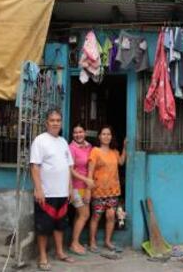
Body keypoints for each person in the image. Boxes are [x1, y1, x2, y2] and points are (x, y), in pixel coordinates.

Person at [30, 108, 75, 271]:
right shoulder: (40, 140)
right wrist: (38, 189)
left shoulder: (63, 142)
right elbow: (35, 167)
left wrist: (70, 187)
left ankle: (60, 252)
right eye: (52, 120)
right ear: (46, 123)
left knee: (60, 225)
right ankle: (42, 256)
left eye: (58, 120)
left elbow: (69, 167)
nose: (55, 123)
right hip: (46, 193)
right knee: (44, 227)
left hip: (62, 193)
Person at [88, 125, 126, 253]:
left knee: (110, 216)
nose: (106, 136)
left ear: (111, 136)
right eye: (103, 134)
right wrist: (89, 189)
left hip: (113, 190)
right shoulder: (95, 151)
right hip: (98, 190)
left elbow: (121, 162)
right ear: (99, 136)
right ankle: (92, 241)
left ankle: (108, 241)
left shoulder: (114, 152)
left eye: (108, 134)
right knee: (96, 216)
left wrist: (125, 147)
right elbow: (90, 171)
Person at [68, 123, 94, 255]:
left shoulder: (89, 146)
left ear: (85, 133)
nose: (78, 135)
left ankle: (75, 241)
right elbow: (70, 170)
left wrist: (88, 184)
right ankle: (74, 243)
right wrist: (86, 180)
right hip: (76, 186)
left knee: (79, 215)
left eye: (80, 132)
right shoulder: (71, 148)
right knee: (85, 215)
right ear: (73, 134)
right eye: (75, 132)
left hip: (86, 187)